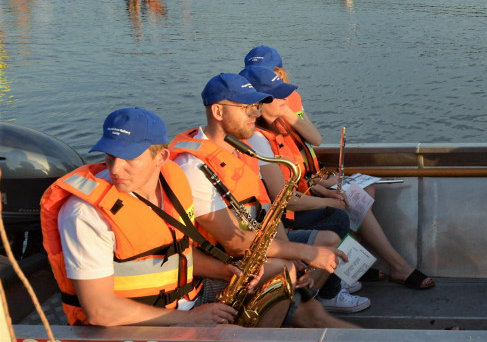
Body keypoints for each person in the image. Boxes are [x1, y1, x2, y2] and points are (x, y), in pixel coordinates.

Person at [170, 73, 360, 325]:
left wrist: (299, 258)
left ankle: (292, 317)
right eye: (247, 108)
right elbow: (235, 243)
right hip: (210, 271)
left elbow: (269, 214)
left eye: (257, 106)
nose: (255, 114)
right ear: (217, 111)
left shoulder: (242, 150)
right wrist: (305, 253)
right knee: (284, 269)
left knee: (308, 270)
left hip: (247, 256)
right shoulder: (193, 166)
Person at [39, 108, 249, 326]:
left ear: (162, 157)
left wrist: (224, 272)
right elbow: (99, 310)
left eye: (128, 157)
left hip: (186, 301)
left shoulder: (173, 180)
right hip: (135, 328)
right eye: (110, 156)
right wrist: (191, 318)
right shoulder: (85, 213)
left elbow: (177, 251)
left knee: (273, 274)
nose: (115, 169)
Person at [242, 65, 436, 291]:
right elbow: (284, 197)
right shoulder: (257, 137)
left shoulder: (280, 123)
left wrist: (324, 190)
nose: (285, 97)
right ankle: (341, 283)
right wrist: (327, 199)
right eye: (278, 94)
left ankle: (354, 267)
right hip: (287, 211)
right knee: (340, 215)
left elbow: (313, 145)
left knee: (361, 194)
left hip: (306, 189)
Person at [243, 45, 322, 148]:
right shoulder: (243, 101)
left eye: (265, 72)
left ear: (280, 74)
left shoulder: (292, 98)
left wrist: (283, 108)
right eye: (252, 72)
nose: (257, 76)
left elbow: (316, 140)